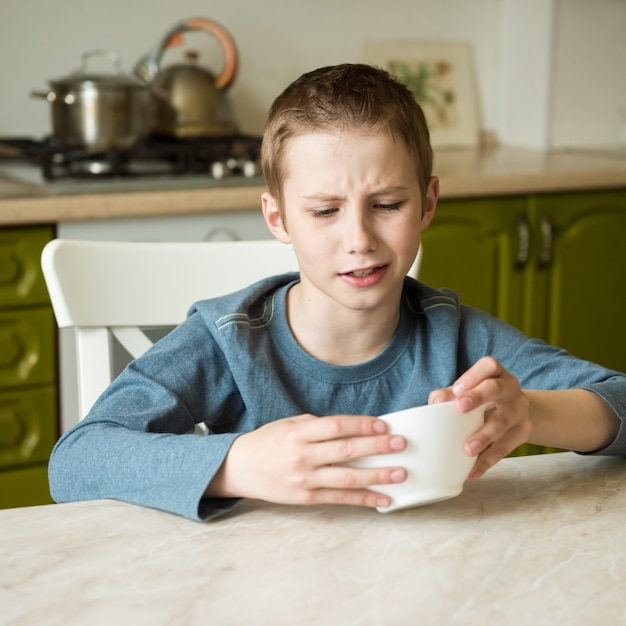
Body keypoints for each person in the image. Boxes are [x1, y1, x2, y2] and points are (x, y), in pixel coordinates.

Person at [48, 64, 626, 521]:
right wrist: (238, 464)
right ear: (278, 219)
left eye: (387, 205)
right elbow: (76, 461)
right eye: (324, 211)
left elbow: (617, 398)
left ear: (427, 204)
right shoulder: (228, 340)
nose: (359, 239)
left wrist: (530, 414)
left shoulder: (455, 335)